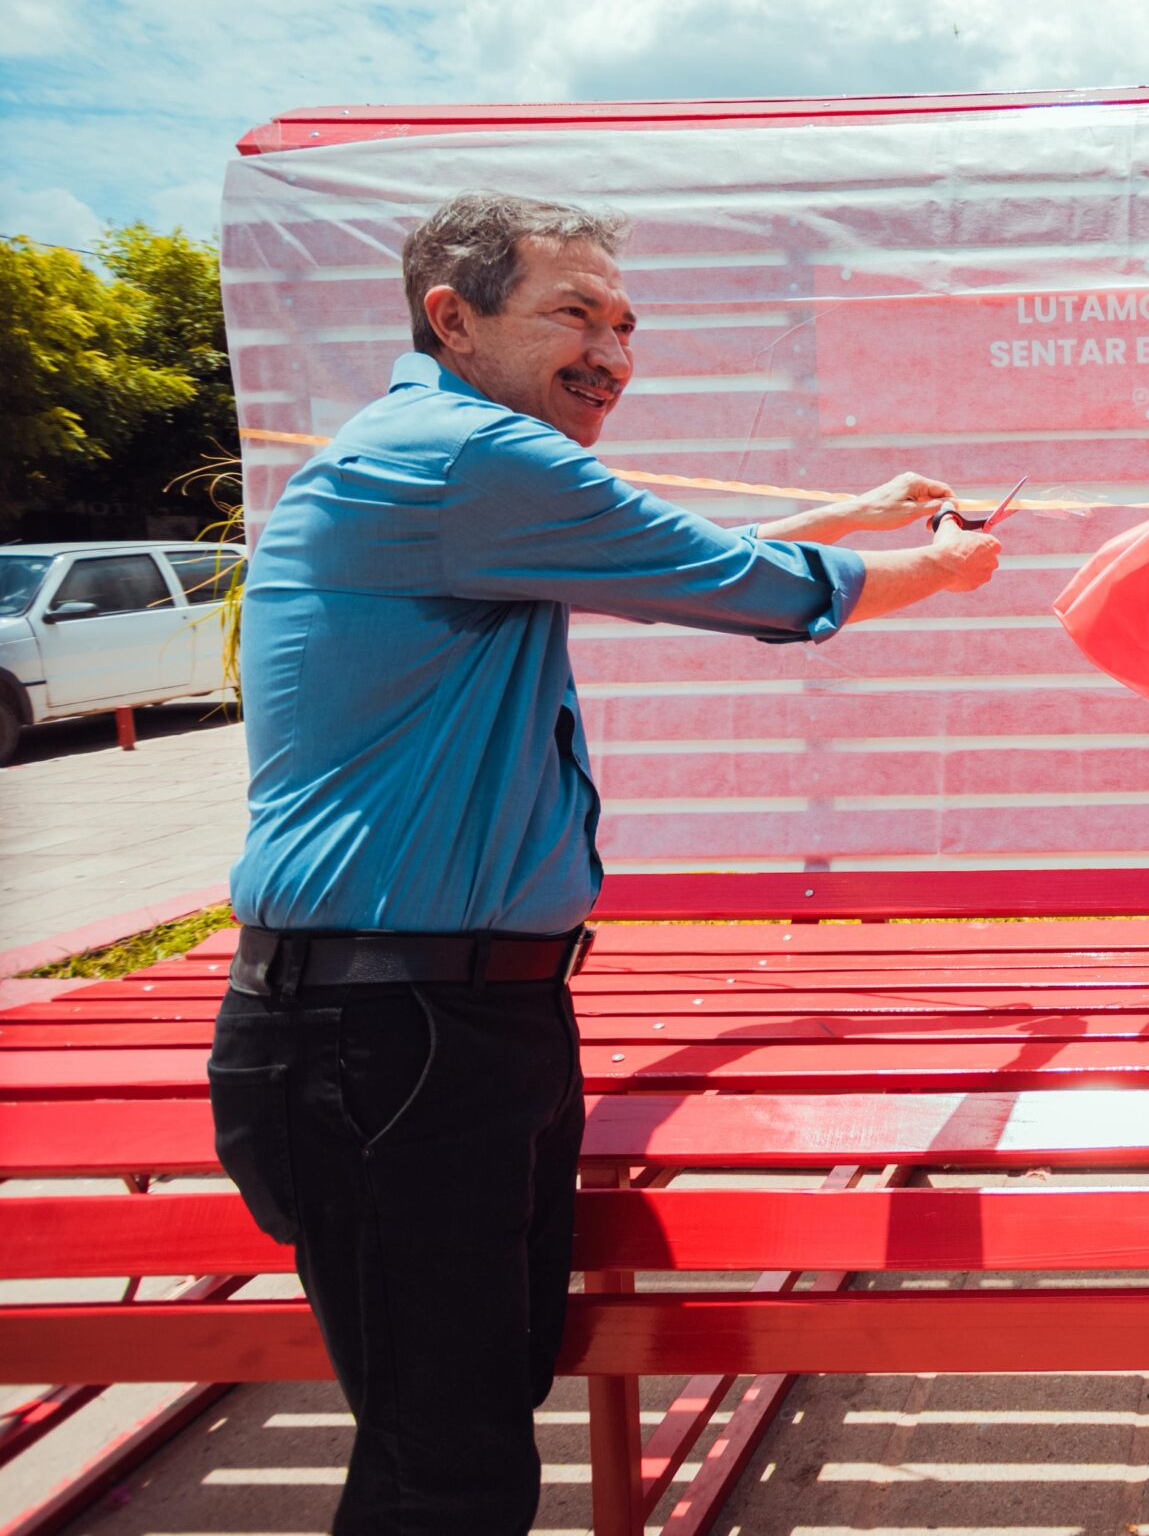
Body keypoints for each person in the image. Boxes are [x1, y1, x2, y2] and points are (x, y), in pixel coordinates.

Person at [209, 190, 1000, 1535]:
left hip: (444, 1017)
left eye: (627, 324)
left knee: (463, 1423)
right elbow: (732, 582)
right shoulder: (466, 455)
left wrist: (860, 513)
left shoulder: (458, 469)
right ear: (453, 318)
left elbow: (649, 560)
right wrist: (935, 569)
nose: (612, 353)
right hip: (390, 1029)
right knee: (444, 1468)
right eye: (574, 314)